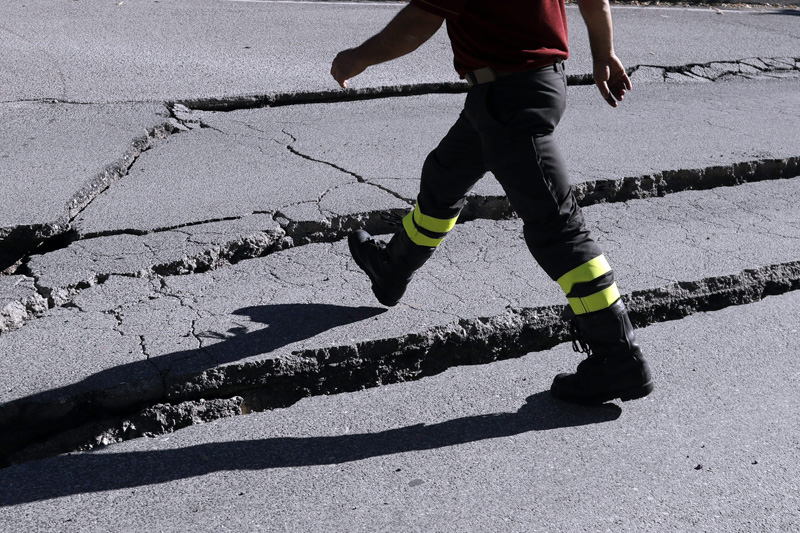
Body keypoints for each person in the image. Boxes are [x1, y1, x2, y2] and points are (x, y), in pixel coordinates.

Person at [330, 0, 652, 405]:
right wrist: (604, 52)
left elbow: (419, 22)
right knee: (443, 176)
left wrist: (356, 58)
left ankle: (618, 357)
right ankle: (392, 269)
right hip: (516, 91)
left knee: (557, 227)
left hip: (509, 97)